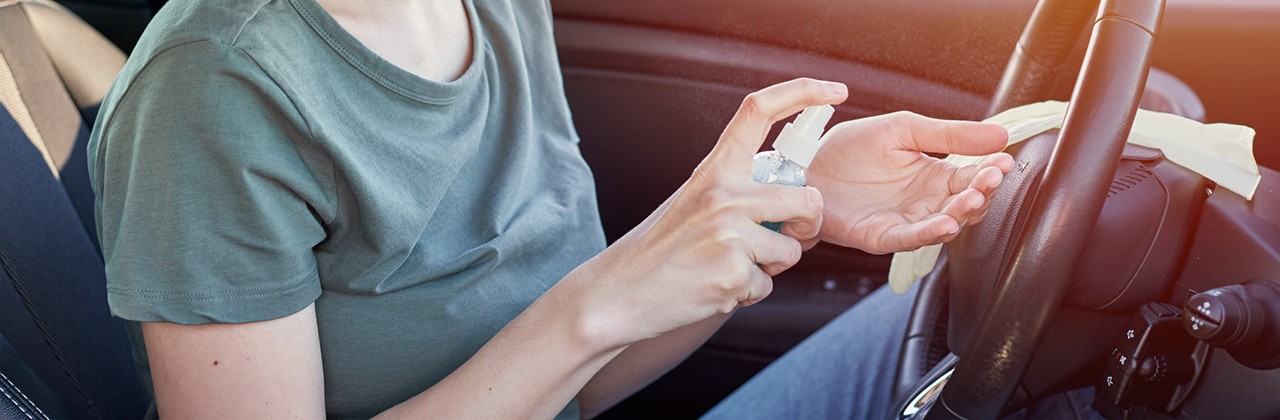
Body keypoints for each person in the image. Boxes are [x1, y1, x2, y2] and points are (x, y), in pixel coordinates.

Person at [87, 0, 1016, 418]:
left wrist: (782, 197)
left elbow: (581, 385)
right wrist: (597, 301)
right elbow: (584, 328)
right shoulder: (210, 90)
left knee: (979, 338)